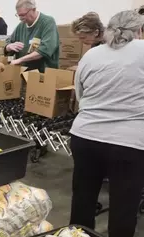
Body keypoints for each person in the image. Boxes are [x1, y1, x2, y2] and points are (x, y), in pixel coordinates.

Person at [69, 10, 144, 237]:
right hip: (128, 142)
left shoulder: (92, 55)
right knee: (124, 205)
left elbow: (80, 94)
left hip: (84, 136)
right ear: (139, 30)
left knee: (83, 198)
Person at [5, 0, 59, 72]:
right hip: (24, 74)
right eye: (18, 15)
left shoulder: (48, 22)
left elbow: (45, 50)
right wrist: (8, 47)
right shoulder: (21, 26)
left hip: (43, 74)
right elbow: (8, 43)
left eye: (23, 15)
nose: (20, 18)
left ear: (33, 10)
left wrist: (20, 60)